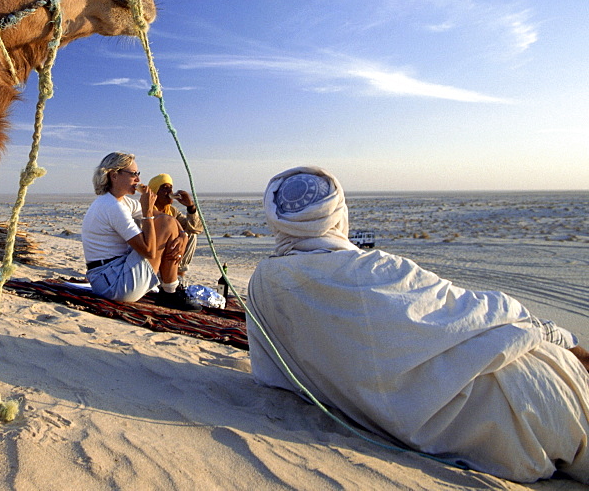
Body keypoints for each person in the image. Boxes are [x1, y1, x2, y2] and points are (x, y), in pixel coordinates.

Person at [245, 166, 589, 483]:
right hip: (521, 396)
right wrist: (559, 336)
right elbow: (481, 312)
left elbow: (272, 374)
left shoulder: (264, 283)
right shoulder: (376, 270)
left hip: (495, 423)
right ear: (337, 213)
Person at [81, 152, 199, 311]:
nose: (138, 180)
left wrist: (183, 236)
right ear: (114, 176)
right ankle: (169, 291)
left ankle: (170, 289)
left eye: (138, 174)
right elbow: (149, 251)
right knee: (164, 224)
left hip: (109, 277)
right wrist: (148, 212)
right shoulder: (112, 206)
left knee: (167, 221)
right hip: (112, 285)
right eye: (133, 174)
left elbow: (166, 217)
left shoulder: (122, 202)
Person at [147, 174, 203, 283]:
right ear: (155, 192)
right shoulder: (146, 210)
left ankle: (179, 272)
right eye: (164, 188)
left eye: (170, 188)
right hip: (155, 252)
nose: (170, 192)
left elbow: (195, 229)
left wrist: (190, 207)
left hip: (172, 252)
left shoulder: (172, 211)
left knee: (190, 234)